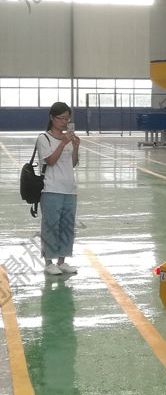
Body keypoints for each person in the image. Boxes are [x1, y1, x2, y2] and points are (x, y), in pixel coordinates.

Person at [37, 102, 80, 276]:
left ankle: (62, 261)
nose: (64, 122)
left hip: (69, 189)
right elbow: (51, 161)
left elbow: (73, 163)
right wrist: (63, 143)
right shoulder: (44, 138)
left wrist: (75, 146)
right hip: (51, 189)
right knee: (51, 226)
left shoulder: (68, 139)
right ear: (51, 118)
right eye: (61, 118)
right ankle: (49, 262)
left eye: (67, 118)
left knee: (66, 226)